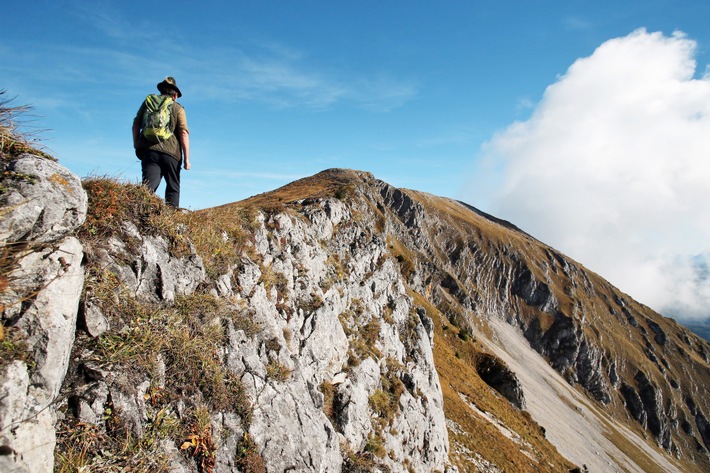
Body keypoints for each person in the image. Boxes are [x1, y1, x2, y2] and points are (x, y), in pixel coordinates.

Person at [132, 76, 191, 208]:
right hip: (171, 154)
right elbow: (183, 133)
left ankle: (141, 215)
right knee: (172, 187)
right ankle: (171, 219)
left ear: (161, 91)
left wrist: (136, 144)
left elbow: (136, 124)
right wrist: (187, 159)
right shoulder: (178, 108)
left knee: (148, 187)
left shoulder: (148, 104)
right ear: (175, 95)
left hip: (149, 151)